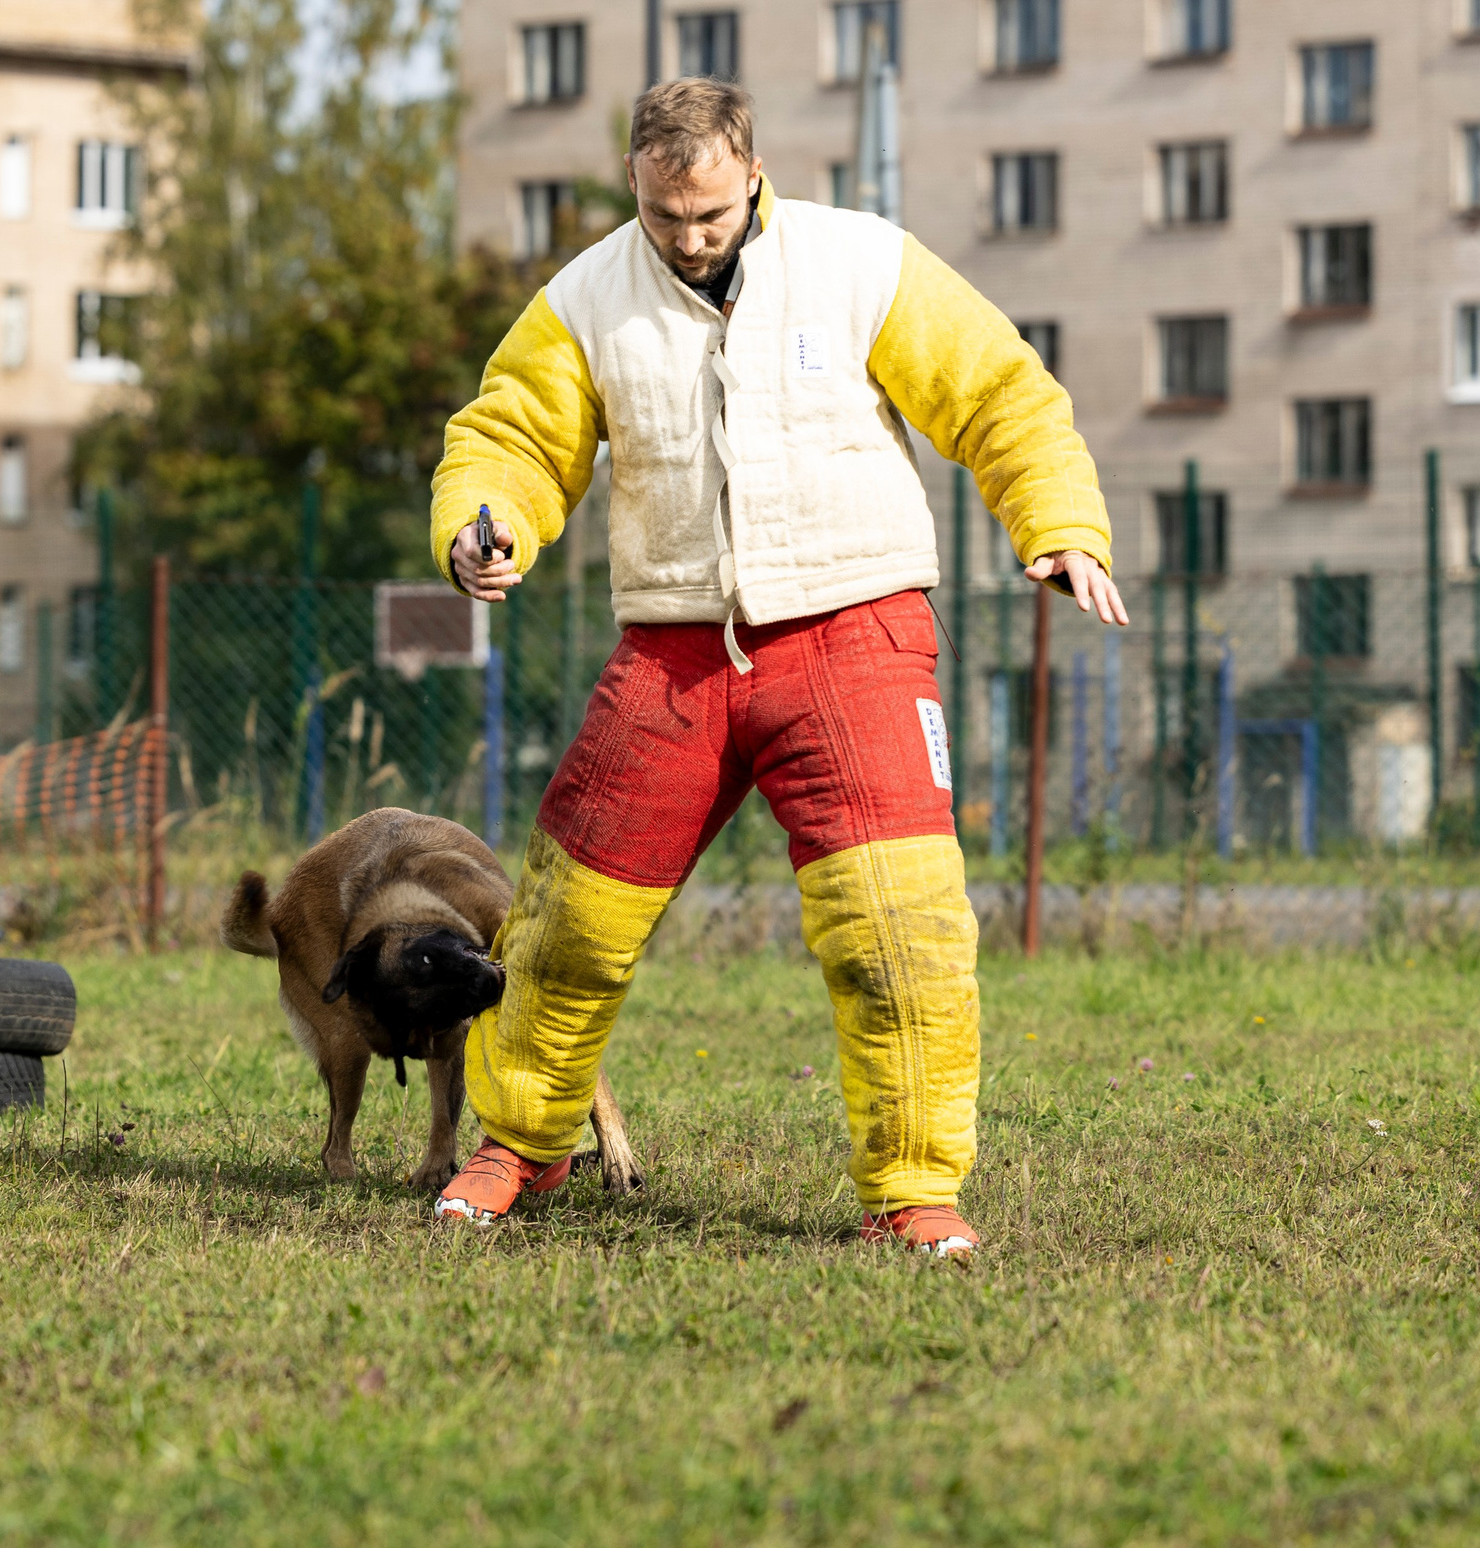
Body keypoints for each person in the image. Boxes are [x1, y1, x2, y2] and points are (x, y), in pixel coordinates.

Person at [425, 78, 1128, 1256]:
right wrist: (480, 522)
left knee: (898, 934)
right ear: (634, 188)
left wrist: (1056, 523)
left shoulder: (864, 263)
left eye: (708, 214)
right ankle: (522, 1144)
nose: (689, 241)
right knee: (566, 923)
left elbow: (1001, 393)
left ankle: (911, 1192)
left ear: (750, 170)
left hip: (856, 633)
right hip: (673, 646)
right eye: (663, 218)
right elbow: (509, 435)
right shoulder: (584, 299)